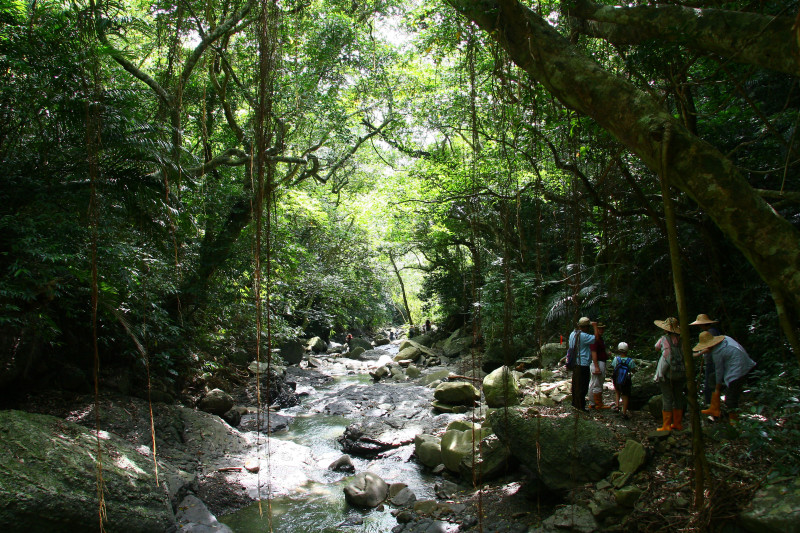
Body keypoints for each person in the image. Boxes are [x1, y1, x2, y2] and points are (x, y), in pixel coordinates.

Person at [693, 331, 756, 423]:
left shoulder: (717, 353)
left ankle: (735, 423)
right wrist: (699, 353)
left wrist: (718, 388)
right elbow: (711, 349)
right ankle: (715, 408)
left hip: (738, 371)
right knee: (712, 378)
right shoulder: (725, 339)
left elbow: (719, 371)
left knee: (730, 400)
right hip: (744, 364)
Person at [653, 317, 686, 431]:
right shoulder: (681, 340)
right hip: (680, 371)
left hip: (667, 373)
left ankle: (666, 425)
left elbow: (657, 348)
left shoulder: (664, 339)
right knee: (678, 396)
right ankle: (677, 423)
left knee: (667, 397)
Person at [689, 314, 723, 408]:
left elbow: (710, 347)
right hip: (711, 361)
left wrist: (698, 354)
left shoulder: (711, 332)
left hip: (713, 362)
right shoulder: (711, 331)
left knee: (709, 385)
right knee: (710, 384)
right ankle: (712, 406)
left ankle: (711, 407)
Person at [569, 317, 596, 411]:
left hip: (575, 363)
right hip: (583, 364)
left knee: (576, 384)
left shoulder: (573, 334)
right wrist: (595, 327)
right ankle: (580, 406)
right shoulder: (584, 336)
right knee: (583, 386)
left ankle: (575, 403)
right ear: (585, 327)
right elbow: (596, 339)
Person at [588, 321, 611, 409]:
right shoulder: (595, 339)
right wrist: (597, 366)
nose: (601, 330)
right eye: (599, 328)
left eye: (602, 328)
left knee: (593, 382)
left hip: (598, 362)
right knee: (597, 383)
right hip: (598, 362)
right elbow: (593, 353)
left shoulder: (598, 339)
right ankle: (598, 403)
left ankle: (593, 402)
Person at [610, 342, 635, 419]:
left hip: (617, 378)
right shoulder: (630, 361)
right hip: (626, 380)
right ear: (627, 350)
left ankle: (617, 406)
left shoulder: (616, 359)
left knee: (617, 391)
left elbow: (613, 368)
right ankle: (624, 412)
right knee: (625, 395)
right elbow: (633, 370)